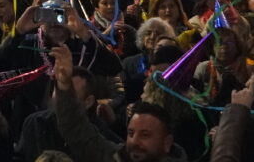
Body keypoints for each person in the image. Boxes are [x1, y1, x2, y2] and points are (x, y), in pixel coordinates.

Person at [50, 44, 185, 162]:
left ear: (167, 143)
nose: (134, 142)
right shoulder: (116, 157)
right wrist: (64, 86)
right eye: (131, 133)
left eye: (145, 135)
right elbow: (76, 129)